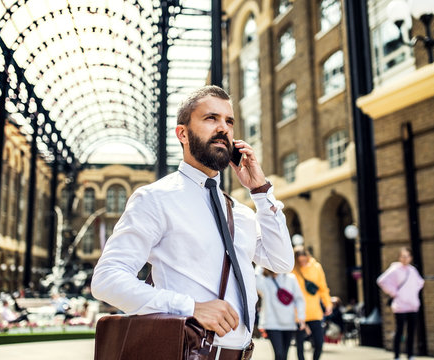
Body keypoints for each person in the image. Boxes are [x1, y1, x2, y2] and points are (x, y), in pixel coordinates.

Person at [91, 85, 294, 356]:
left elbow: (281, 261)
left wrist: (260, 191)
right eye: (211, 118)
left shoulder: (241, 213)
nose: (223, 128)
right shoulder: (155, 198)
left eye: (229, 121)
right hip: (190, 353)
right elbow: (107, 279)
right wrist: (191, 308)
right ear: (183, 133)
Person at [377, 247, 424, 360]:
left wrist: (411, 294)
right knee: (399, 330)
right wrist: (395, 293)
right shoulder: (395, 269)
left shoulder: (412, 270)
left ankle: (410, 354)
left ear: (410, 258)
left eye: (407, 256)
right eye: (403, 256)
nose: (405, 259)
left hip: (412, 305)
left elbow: (420, 283)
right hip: (400, 306)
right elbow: (381, 281)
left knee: (411, 331)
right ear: (399, 257)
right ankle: (397, 355)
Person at [292, 246, 332, 360]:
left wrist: (328, 303)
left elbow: (323, 287)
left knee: (319, 343)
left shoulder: (316, 267)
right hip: (298, 314)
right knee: (300, 345)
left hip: (314, 312)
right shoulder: (292, 270)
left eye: (304, 260)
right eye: (300, 261)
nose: (303, 263)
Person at [256, 268, 305, 360]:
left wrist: (301, 317)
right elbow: (255, 282)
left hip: (289, 323)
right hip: (272, 323)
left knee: (284, 355)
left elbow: (299, 299)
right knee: (279, 354)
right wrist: (261, 264)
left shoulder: (291, 278)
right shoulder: (264, 280)